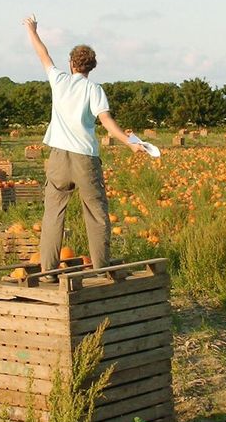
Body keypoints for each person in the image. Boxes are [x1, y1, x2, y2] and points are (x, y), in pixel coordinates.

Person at [22, 14, 146, 281]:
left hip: (57, 157)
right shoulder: (94, 89)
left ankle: (48, 272)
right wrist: (130, 143)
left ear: (71, 64)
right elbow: (107, 122)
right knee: (96, 213)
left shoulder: (59, 80)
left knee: (53, 213)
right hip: (84, 158)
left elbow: (42, 54)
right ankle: (101, 269)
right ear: (92, 67)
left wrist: (32, 30)